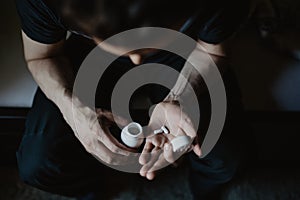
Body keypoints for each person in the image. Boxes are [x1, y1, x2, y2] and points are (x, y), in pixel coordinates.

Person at [15, 0, 259, 199]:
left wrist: (181, 96)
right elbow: (41, 57)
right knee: (38, 161)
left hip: (188, 49)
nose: (137, 61)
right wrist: (74, 110)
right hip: (87, 51)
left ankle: (202, 191)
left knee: (228, 155)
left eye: (145, 47)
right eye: (126, 48)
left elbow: (212, 50)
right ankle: (93, 188)